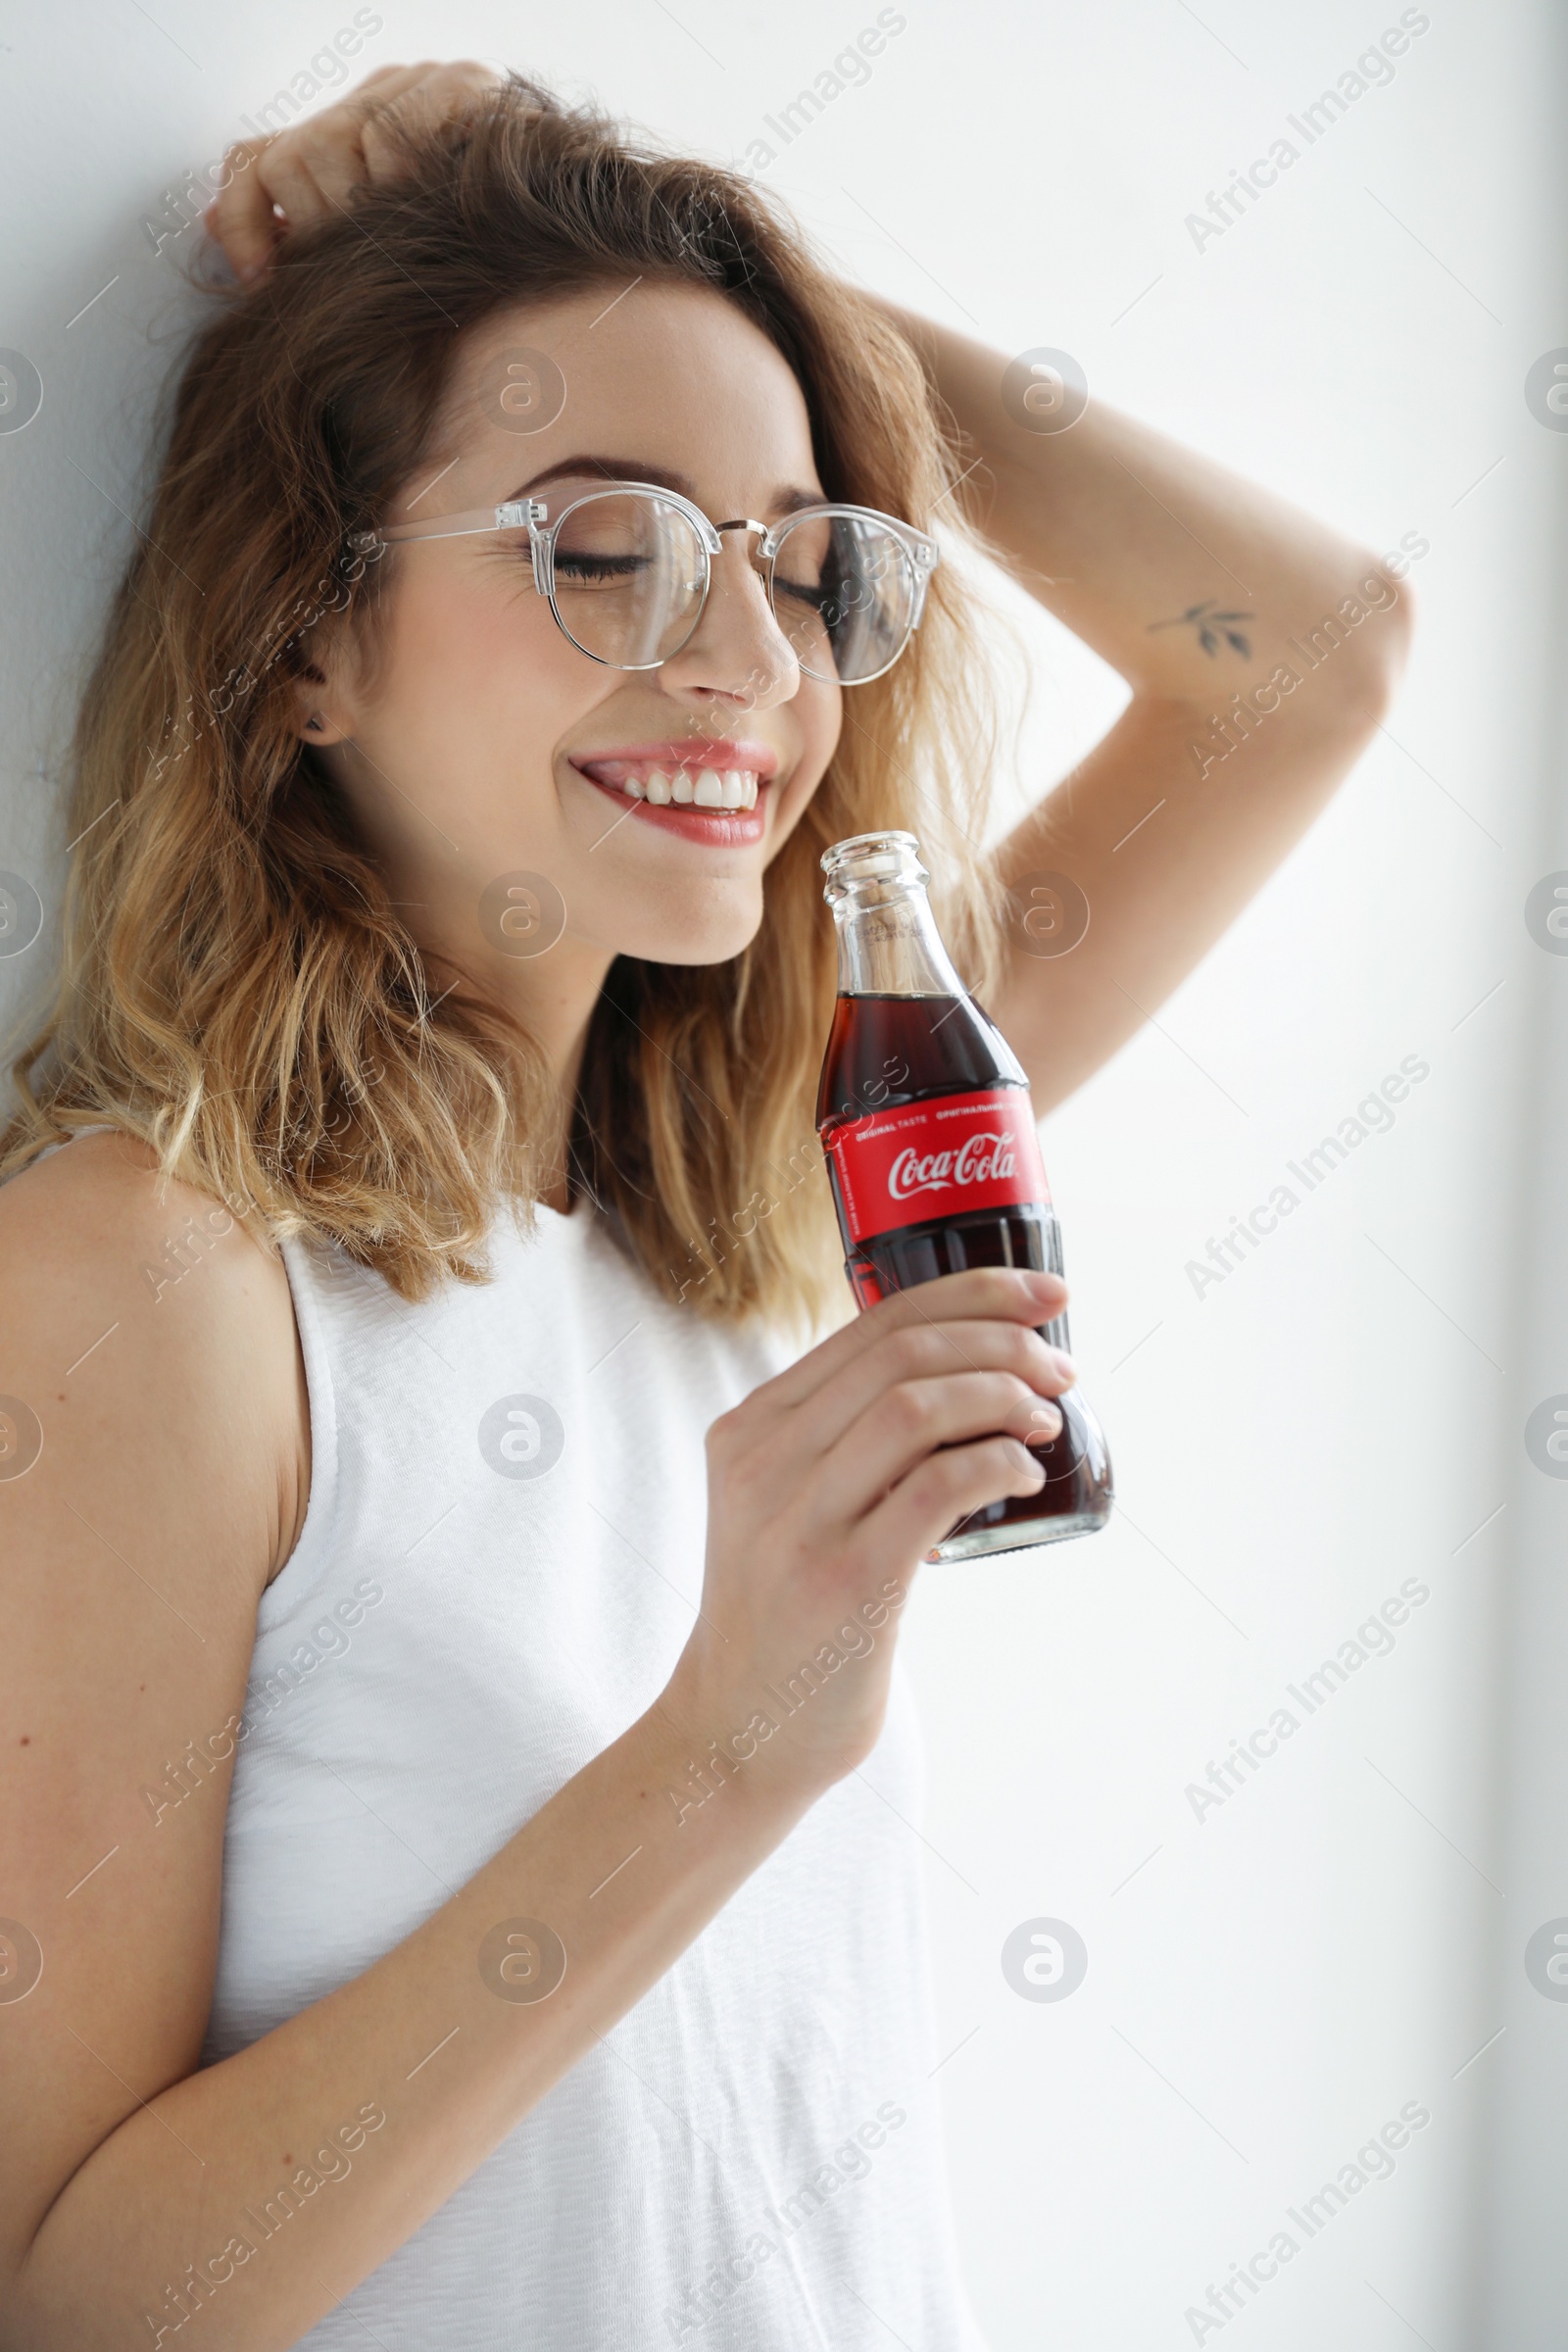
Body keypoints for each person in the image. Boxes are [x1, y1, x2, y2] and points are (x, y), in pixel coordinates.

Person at [0, 64, 1410, 2352]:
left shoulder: (779, 1200)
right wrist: (722, 1753)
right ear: (306, 639)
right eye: (598, 541)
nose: (748, 662)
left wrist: (727, 289)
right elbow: (69, 2304)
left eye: (794, 555)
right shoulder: (153, 1284)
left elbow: (1309, 653)